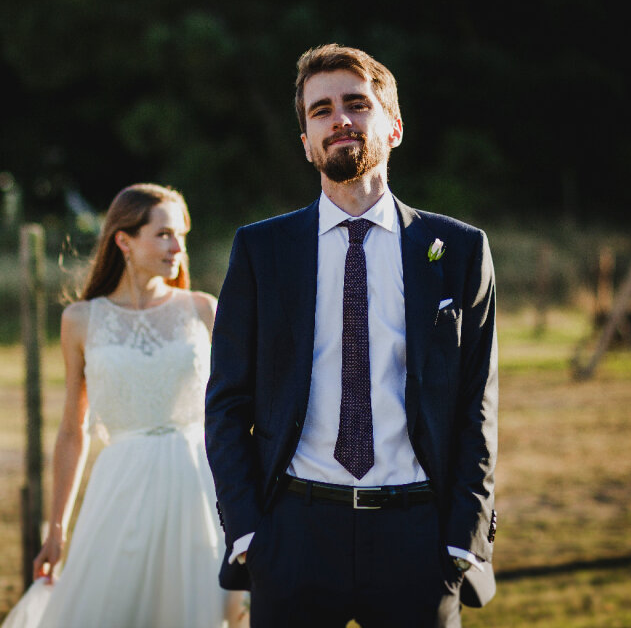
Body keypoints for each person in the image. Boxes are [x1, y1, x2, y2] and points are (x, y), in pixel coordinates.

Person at [205, 44, 498, 627]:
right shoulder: (262, 251)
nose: (338, 118)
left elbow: (477, 405)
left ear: (393, 127)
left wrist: (463, 540)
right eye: (320, 111)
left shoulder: (459, 250)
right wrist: (248, 535)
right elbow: (227, 403)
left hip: (418, 535)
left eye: (356, 104)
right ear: (307, 142)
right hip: (293, 532)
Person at [2, 183, 246, 628]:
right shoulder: (80, 320)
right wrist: (56, 529)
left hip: (199, 483)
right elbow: (72, 430)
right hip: (121, 485)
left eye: (182, 236)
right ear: (124, 240)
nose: (177, 247)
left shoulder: (203, 310)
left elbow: (237, 413)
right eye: (164, 234)